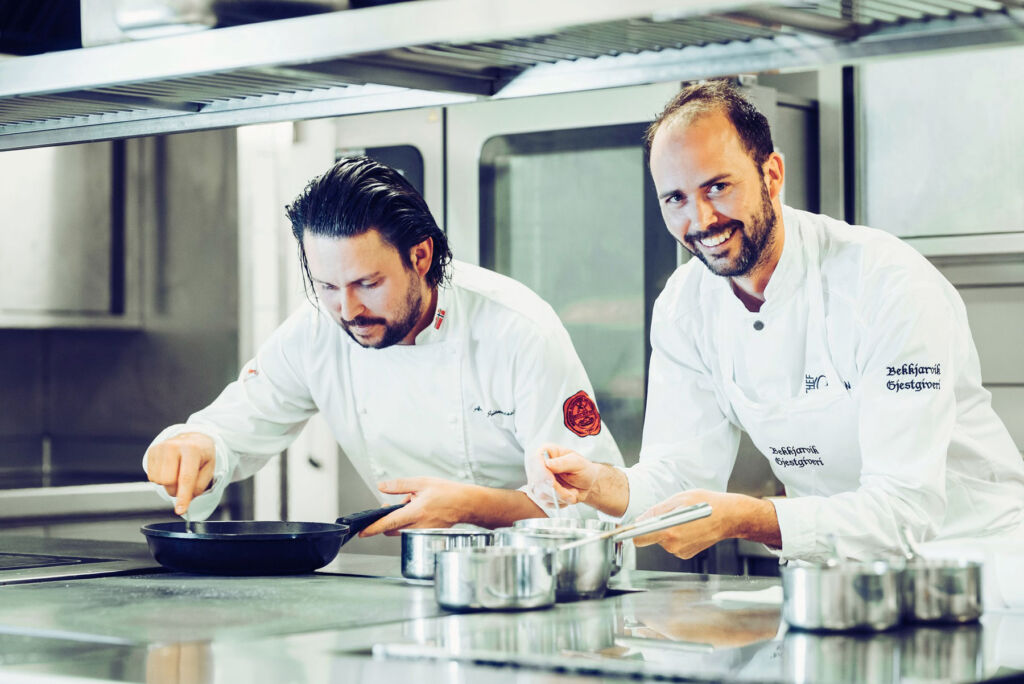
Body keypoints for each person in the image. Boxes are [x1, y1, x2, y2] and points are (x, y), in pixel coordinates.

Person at [530, 80, 1024, 562]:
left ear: (772, 174)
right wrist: (596, 483)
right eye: (675, 199)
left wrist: (749, 517)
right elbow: (679, 475)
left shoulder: (888, 285)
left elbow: (905, 509)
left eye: (717, 186)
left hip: (973, 568)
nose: (701, 220)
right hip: (839, 581)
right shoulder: (686, 305)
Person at [144, 156, 623, 535]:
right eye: (326, 286)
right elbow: (228, 431)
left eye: (367, 283)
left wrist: (473, 507)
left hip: (542, 593)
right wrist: (192, 446)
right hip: (420, 589)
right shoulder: (317, 332)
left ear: (420, 256)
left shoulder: (517, 331)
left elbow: (594, 507)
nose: (348, 309)